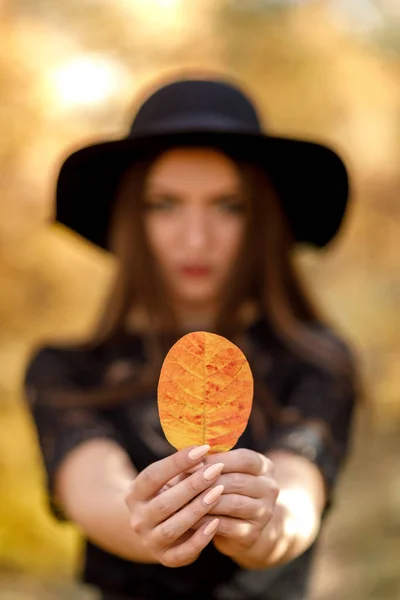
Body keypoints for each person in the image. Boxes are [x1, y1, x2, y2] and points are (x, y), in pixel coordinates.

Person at [24, 76, 357, 600]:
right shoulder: (68, 370)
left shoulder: (315, 360)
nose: (196, 238)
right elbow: (95, 486)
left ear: (262, 220)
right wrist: (144, 519)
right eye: (166, 204)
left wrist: (262, 526)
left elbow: (298, 495)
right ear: (132, 217)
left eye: (229, 206)